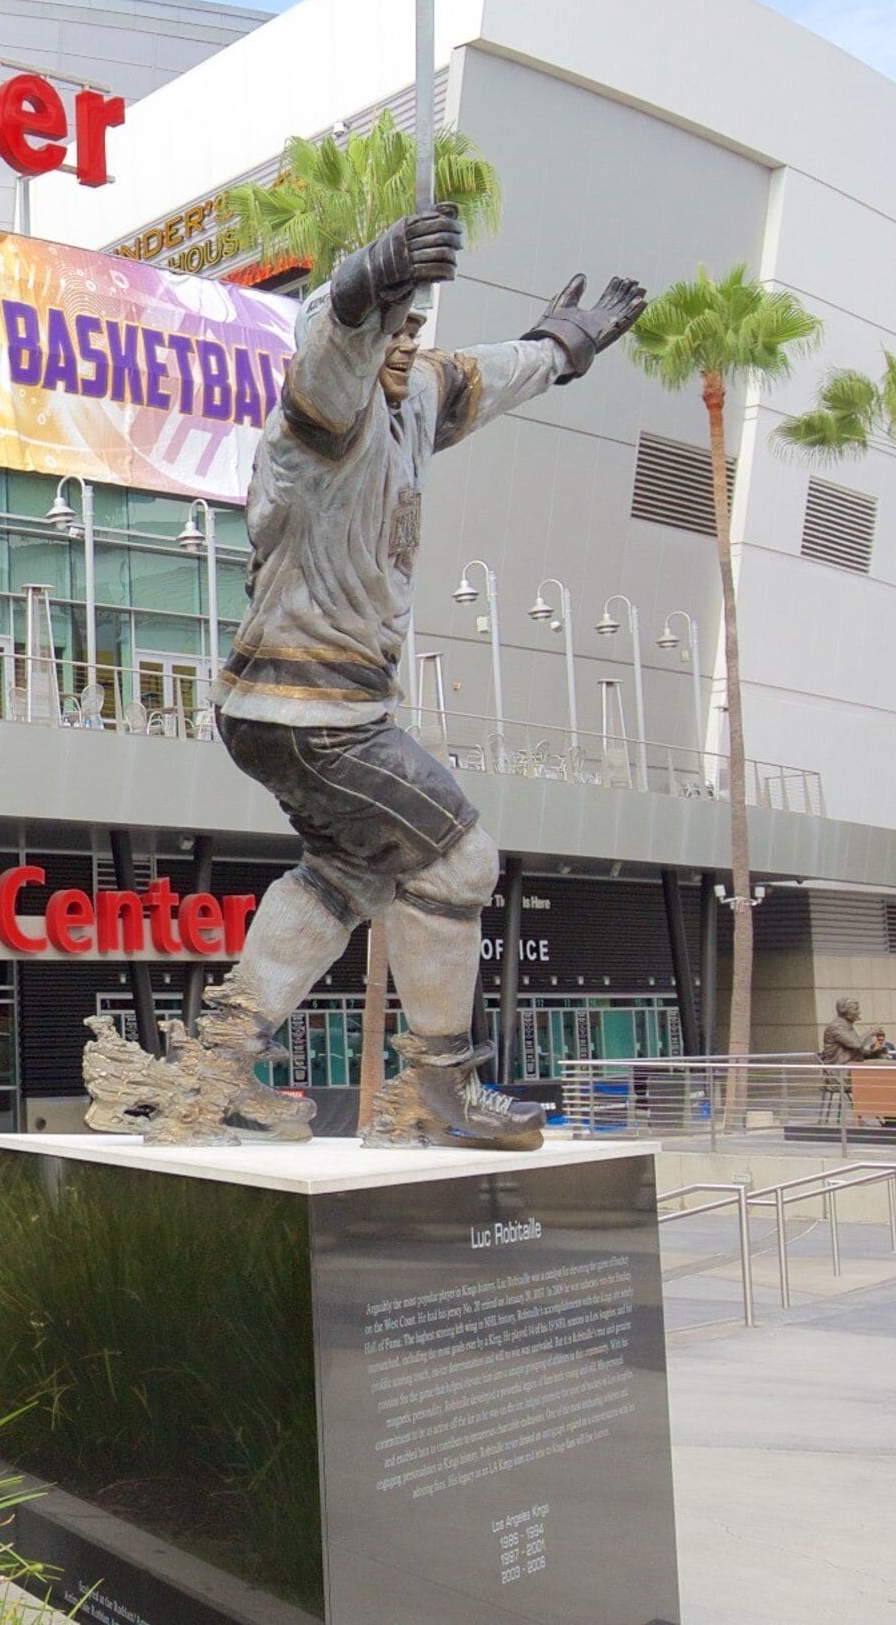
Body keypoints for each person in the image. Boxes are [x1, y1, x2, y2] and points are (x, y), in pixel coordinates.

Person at [141, 204, 645, 1149]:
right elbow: (330, 348)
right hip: (312, 706)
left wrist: (562, 347)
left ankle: (207, 1077)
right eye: (391, 330)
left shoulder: (416, 399)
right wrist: (367, 283)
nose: (403, 346)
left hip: (289, 707)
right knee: (459, 857)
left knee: (341, 877)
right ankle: (439, 1093)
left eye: (415, 328)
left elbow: (484, 377)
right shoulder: (320, 419)